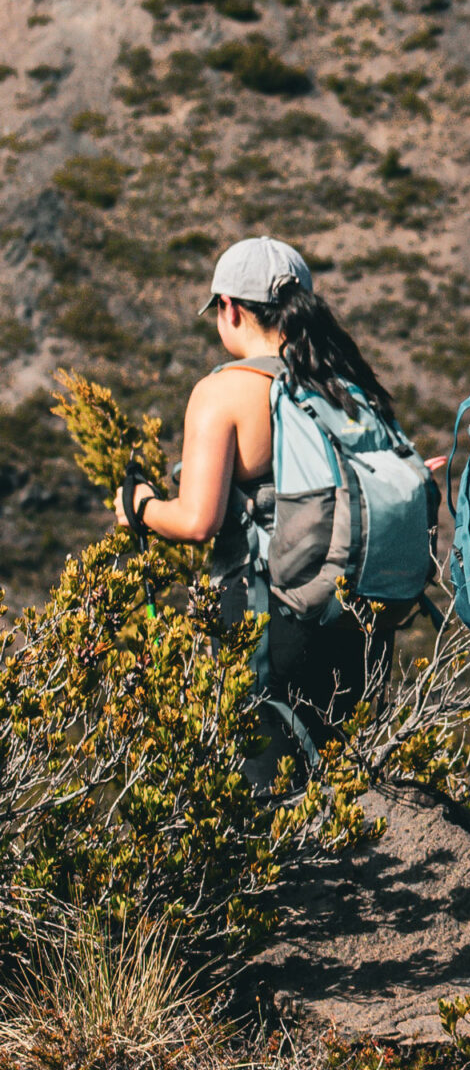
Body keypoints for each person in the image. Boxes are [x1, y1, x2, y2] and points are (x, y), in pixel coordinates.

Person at [115, 236, 400, 785]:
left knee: (260, 796)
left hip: (267, 617)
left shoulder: (225, 392)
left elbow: (197, 520)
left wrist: (141, 505)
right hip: (357, 620)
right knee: (341, 788)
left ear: (230, 309)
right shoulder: (345, 384)